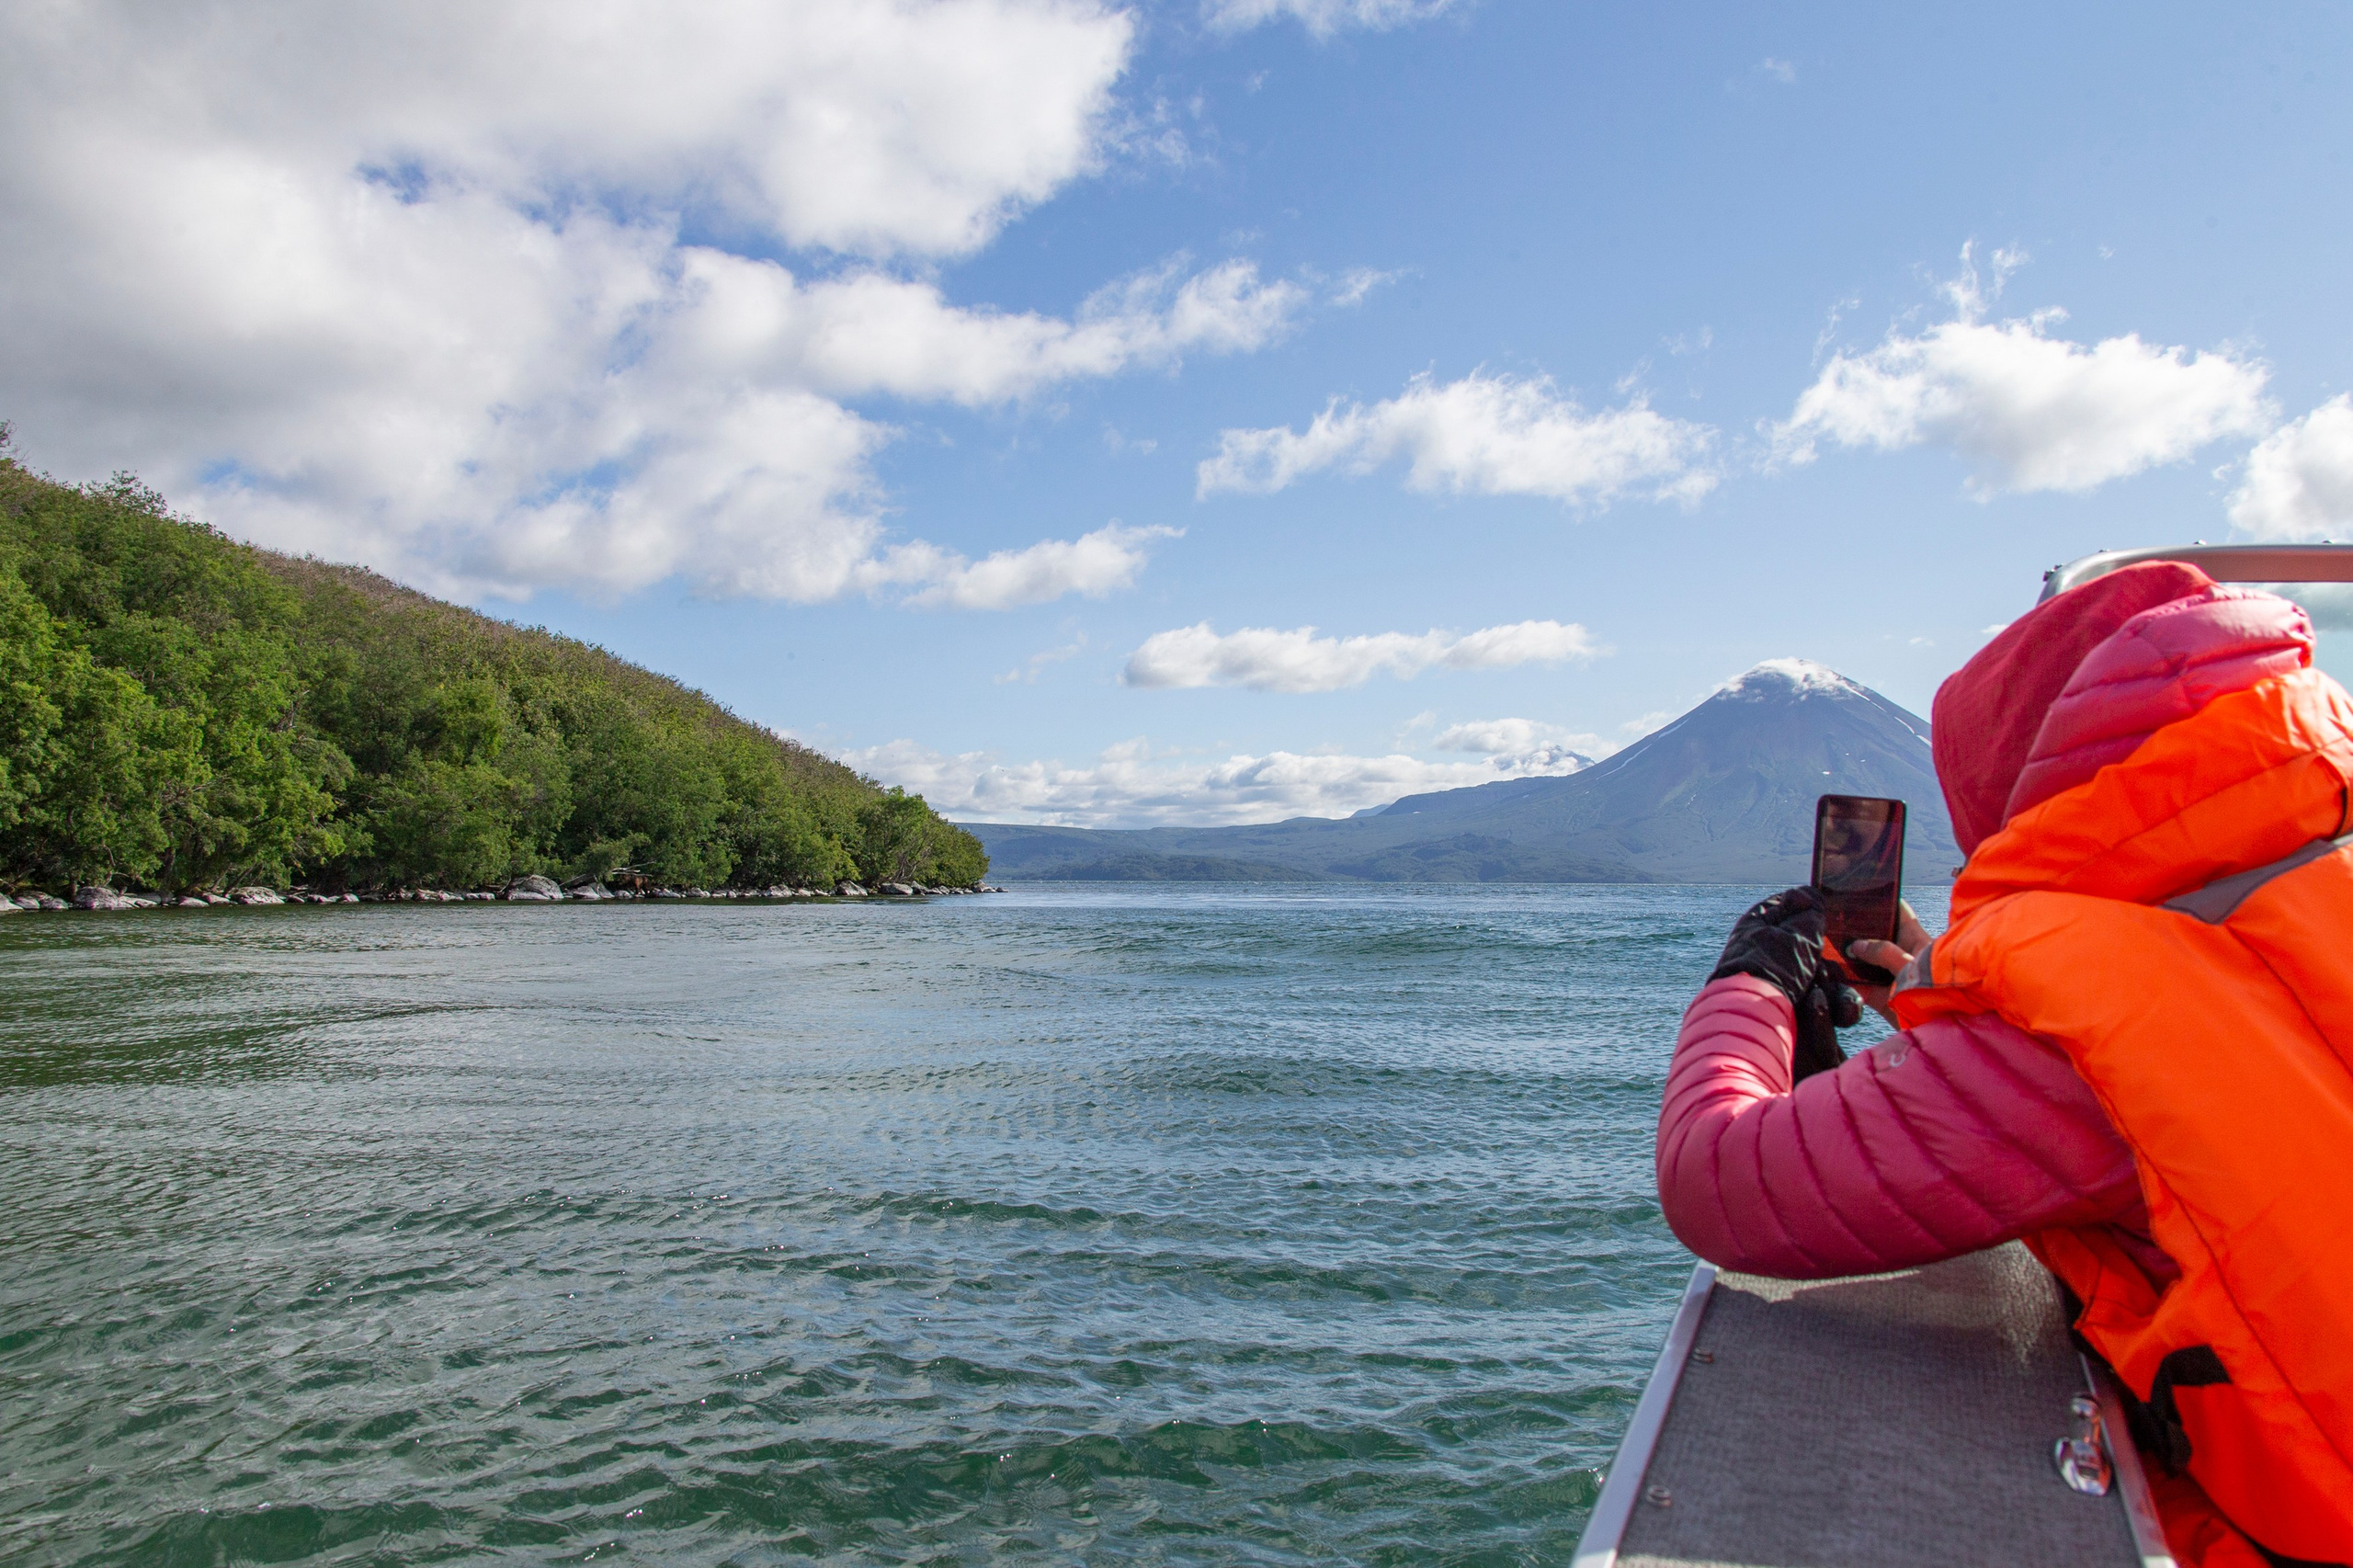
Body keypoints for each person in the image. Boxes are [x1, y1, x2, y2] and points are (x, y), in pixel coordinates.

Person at [1654, 562, 2353, 1566]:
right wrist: (1940, 997)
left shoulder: (2065, 1039)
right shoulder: (2302, 883)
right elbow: (2224, 1053)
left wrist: (1754, 976)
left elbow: (1712, 1177)